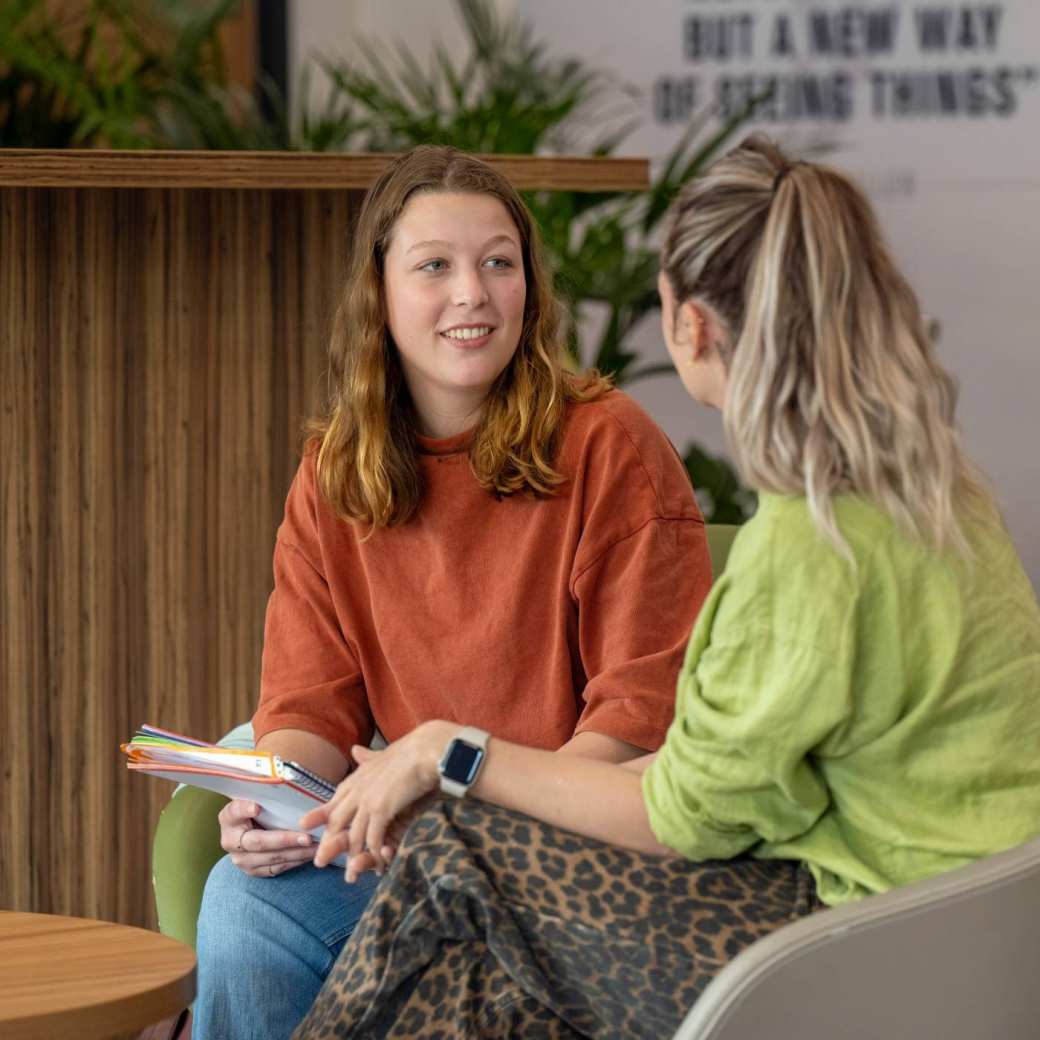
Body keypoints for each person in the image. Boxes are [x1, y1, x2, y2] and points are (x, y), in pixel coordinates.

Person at [292, 135, 1040, 1040]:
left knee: (456, 856)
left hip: (875, 942)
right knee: (482, 988)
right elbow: (731, 781)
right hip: (979, 926)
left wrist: (447, 752)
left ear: (690, 328)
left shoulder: (809, 549)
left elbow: (672, 819)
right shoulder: (935, 489)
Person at [192, 146, 713, 1039]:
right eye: (435, 265)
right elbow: (310, 705)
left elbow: (641, 724)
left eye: (498, 262)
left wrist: (449, 798)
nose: (472, 292)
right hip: (415, 844)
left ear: (529, 289)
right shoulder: (332, 472)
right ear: (379, 295)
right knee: (247, 898)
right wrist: (275, 805)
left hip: (577, 862)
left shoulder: (609, 445)